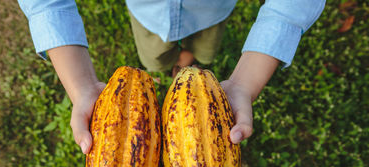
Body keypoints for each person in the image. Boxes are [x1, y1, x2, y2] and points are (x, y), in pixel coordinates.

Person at [18, 0, 326, 154]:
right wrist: (80, 83)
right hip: (147, 12)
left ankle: (185, 65)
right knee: (154, 54)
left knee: (202, 52)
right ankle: (172, 66)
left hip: (212, 9)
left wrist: (246, 82)